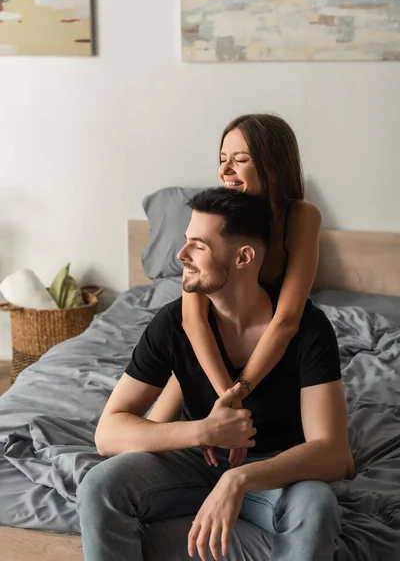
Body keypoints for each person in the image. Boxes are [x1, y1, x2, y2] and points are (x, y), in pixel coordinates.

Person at [78, 187, 351, 561]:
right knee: (98, 485)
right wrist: (203, 431)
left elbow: (335, 454)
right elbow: (108, 434)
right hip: (192, 460)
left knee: (317, 506)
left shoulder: (308, 329)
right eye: (186, 241)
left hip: (274, 471)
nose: (181, 255)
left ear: (243, 257)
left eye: (198, 246)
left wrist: (238, 479)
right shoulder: (173, 323)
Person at [148, 113, 324, 469]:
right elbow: (192, 319)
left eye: (240, 160)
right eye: (222, 160)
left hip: (265, 335)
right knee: (150, 438)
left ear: (272, 168)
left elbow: (288, 318)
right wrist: (228, 396)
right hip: (210, 339)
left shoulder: (301, 217)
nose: (226, 170)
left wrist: (239, 389)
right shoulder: (215, 214)